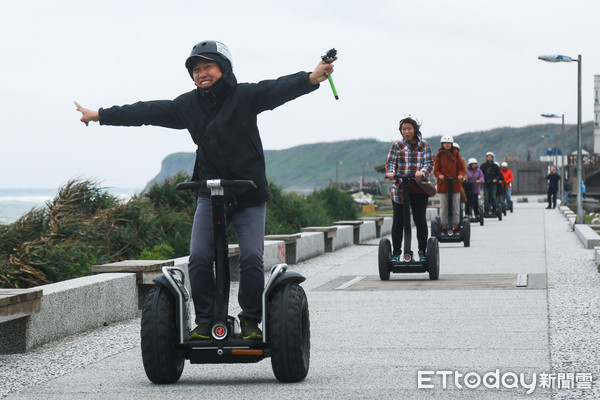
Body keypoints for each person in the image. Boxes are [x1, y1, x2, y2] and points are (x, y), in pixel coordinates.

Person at [75, 40, 337, 341]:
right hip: (209, 193)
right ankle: (206, 322)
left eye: (207, 67)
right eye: (196, 69)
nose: (202, 74)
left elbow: (277, 89)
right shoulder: (187, 106)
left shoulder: (245, 96)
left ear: (223, 69)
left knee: (251, 257)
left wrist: (311, 78)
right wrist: (99, 115)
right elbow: (145, 111)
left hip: (248, 195)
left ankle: (250, 320)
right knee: (199, 257)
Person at [385, 115, 434, 262]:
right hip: (400, 188)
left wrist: (422, 173)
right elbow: (390, 162)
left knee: (420, 220)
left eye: (409, 129)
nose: (406, 132)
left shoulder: (424, 145)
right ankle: (396, 253)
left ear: (415, 129)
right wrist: (391, 172)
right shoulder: (397, 145)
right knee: (399, 221)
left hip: (418, 188)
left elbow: (429, 163)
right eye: (404, 129)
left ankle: (422, 251)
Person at [433, 136, 465, 233]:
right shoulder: (439, 156)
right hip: (443, 185)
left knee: (455, 207)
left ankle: (456, 226)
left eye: (449, 143)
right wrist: (440, 175)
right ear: (442, 144)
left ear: (451, 144)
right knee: (444, 207)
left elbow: (461, 168)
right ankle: (444, 226)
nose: (447, 145)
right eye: (445, 143)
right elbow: (436, 170)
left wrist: (460, 175)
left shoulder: (456, 155)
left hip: (455, 184)